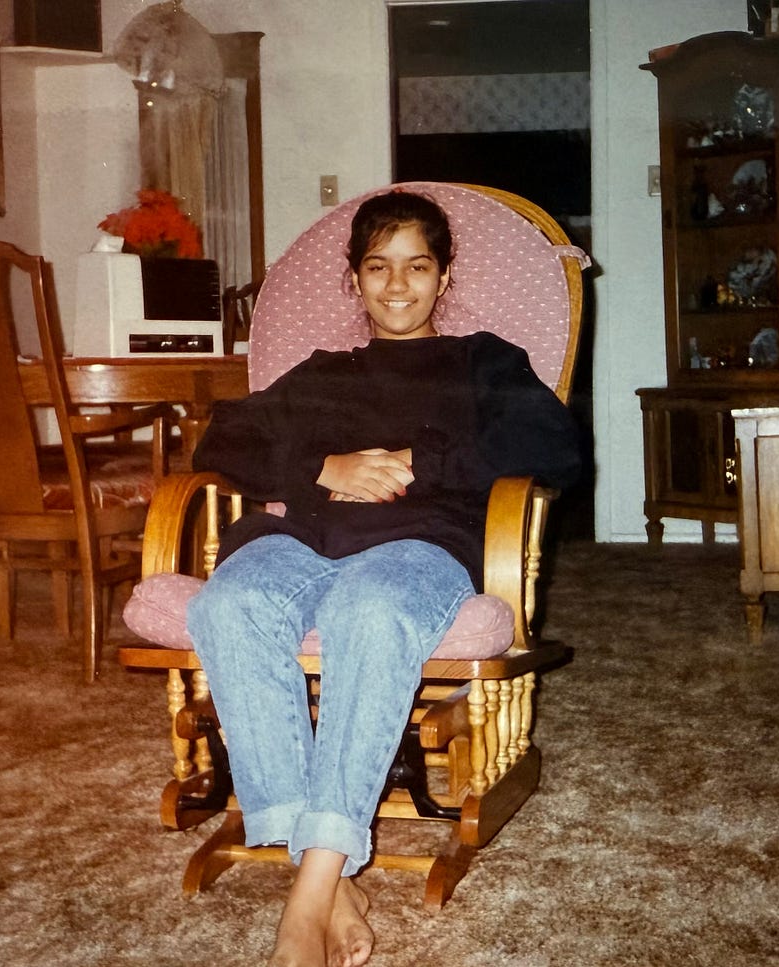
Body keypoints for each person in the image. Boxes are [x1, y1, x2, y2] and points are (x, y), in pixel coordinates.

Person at [185, 190, 582, 967]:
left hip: (417, 542)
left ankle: (307, 899)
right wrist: (322, 466)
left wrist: (418, 464)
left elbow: (553, 444)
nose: (397, 286)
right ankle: (331, 884)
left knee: (369, 608)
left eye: (417, 266)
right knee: (228, 602)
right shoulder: (324, 372)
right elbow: (223, 437)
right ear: (355, 278)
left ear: (443, 277)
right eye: (378, 267)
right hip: (300, 535)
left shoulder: (482, 361)